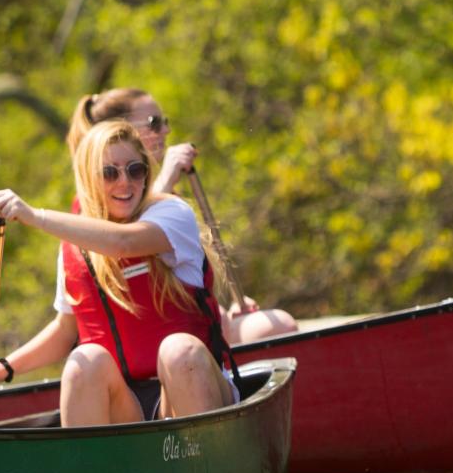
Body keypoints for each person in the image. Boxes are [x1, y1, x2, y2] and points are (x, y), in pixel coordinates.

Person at [0, 120, 239, 427]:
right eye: (110, 173)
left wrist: (35, 216)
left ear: (147, 174)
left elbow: (122, 242)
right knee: (83, 362)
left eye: (135, 170)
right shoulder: (76, 244)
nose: (124, 182)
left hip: (189, 385)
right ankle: (90, 471)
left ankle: (203, 467)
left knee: (178, 350)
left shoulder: (171, 215)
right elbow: (66, 329)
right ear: (89, 179)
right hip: (126, 402)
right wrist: (4, 367)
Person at [67, 87, 298, 341]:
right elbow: (128, 240)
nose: (165, 130)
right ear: (121, 130)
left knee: (276, 326)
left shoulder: (160, 195)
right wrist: (166, 177)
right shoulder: (91, 207)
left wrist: (223, 311)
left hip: (189, 331)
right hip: (153, 342)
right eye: (154, 123)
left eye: (164, 122)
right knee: (275, 327)